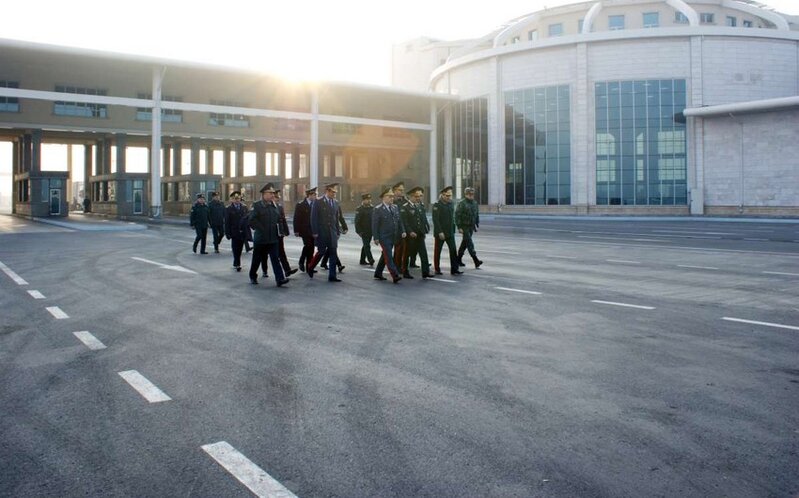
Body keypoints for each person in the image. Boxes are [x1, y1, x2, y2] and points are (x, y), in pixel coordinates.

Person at [248, 183, 288, 287]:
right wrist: (261, 229)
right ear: (263, 194)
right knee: (256, 259)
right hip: (261, 239)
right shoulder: (257, 205)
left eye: (273, 193)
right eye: (270, 193)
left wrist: (281, 231)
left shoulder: (274, 205)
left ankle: (280, 279)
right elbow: (251, 220)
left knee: (275, 259)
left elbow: (279, 220)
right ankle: (253, 276)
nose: (272, 195)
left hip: (273, 238)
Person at [307, 183, 346, 282]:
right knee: (321, 252)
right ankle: (310, 267)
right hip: (322, 232)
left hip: (332, 232)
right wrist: (315, 231)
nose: (334, 194)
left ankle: (332, 276)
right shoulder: (318, 201)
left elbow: (336, 219)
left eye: (335, 192)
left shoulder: (336, 203)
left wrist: (337, 232)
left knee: (333, 253)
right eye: (332, 192)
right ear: (327, 191)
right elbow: (313, 218)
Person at [372, 187, 405, 283]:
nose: (392, 198)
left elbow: (399, 220)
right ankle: (395, 275)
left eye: (392, 196)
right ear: (383, 197)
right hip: (384, 237)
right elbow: (375, 225)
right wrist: (376, 237)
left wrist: (402, 231)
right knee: (389, 256)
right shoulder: (378, 209)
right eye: (389, 196)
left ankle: (378, 273)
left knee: (385, 255)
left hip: (393, 236)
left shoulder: (395, 207)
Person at [400, 186, 434, 279]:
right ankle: (405, 272)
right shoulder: (405, 207)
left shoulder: (420, 205)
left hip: (420, 234)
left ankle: (425, 272)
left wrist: (425, 228)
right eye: (416, 196)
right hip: (410, 236)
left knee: (423, 253)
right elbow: (404, 222)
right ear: (411, 196)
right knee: (407, 253)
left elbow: (423, 218)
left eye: (420, 196)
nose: (418, 198)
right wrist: (410, 231)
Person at [432, 186, 462, 275]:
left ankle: (454, 269)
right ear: (442, 195)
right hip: (440, 233)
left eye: (450, 195)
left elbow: (453, 217)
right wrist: (440, 232)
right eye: (447, 196)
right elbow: (435, 220)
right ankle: (437, 269)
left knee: (453, 251)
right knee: (438, 251)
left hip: (450, 232)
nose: (449, 197)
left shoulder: (451, 203)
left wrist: (455, 228)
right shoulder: (437, 205)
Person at [456, 187, 483, 269]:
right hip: (464, 226)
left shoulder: (474, 203)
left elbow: (476, 214)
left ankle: (458, 259)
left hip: (471, 226)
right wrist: (459, 227)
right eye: (469, 194)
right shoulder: (462, 203)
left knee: (465, 243)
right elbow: (457, 215)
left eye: (472, 194)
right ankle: (476, 260)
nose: (471, 196)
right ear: (466, 194)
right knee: (469, 242)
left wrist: (476, 224)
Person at [273, 190, 298, 277]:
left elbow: (283, 220)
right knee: (262, 255)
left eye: (278, 197)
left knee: (281, 253)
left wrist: (286, 231)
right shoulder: (269, 207)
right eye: (276, 197)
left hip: (279, 234)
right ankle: (256, 272)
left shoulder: (280, 207)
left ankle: (287, 270)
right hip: (270, 234)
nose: (278, 199)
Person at [224, 190, 249, 271]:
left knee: (240, 248)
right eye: (235, 199)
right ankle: (237, 263)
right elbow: (227, 222)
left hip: (242, 231)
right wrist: (227, 233)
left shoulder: (244, 207)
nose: (237, 200)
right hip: (234, 231)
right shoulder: (229, 209)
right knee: (235, 248)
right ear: (232, 199)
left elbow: (247, 219)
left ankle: (237, 261)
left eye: (238, 198)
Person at [293, 187, 317, 272]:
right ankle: (301, 261)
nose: (315, 196)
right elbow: (296, 218)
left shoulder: (315, 204)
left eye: (315, 194)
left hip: (313, 230)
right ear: (309, 195)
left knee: (312, 248)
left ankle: (309, 267)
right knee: (308, 245)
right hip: (304, 230)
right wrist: (296, 230)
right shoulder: (300, 205)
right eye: (314, 194)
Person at [320, 201, 348, 273]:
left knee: (331, 248)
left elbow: (340, 217)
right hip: (326, 230)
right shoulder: (323, 204)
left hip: (335, 230)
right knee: (332, 248)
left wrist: (345, 227)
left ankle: (324, 263)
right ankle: (339, 265)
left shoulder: (336, 204)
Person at [354, 192, 375, 266]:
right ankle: (370, 259)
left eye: (370, 199)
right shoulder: (359, 209)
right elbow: (357, 221)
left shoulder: (372, 208)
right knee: (367, 245)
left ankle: (362, 260)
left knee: (366, 245)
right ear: (363, 200)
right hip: (363, 231)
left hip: (371, 231)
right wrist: (359, 231)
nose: (369, 201)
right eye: (367, 199)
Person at [391, 181, 408, 270]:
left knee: (400, 248)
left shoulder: (404, 201)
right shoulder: (391, 200)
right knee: (387, 251)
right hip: (392, 228)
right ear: (394, 190)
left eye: (403, 190)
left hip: (401, 228)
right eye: (400, 190)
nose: (402, 192)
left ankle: (397, 266)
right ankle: (381, 269)